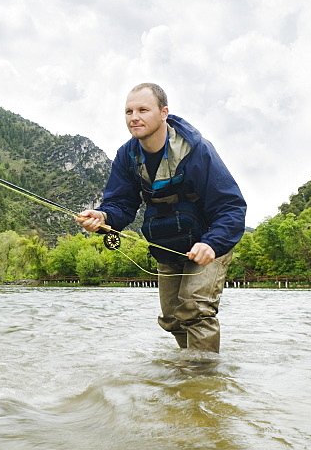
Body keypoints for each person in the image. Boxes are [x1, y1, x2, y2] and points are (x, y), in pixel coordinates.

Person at [76, 83, 246, 354]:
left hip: (209, 241)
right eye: (129, 111)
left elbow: (231, 206)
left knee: (196, 309)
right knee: (172, 318)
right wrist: (103, 215)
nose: (134, 117)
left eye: (143, 110)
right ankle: (189, 373)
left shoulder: (197, 150)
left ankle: (202, 380)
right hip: (168, 244)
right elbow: (121, 204)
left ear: (164, 113)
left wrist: (212, 244)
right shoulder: (126, 156)